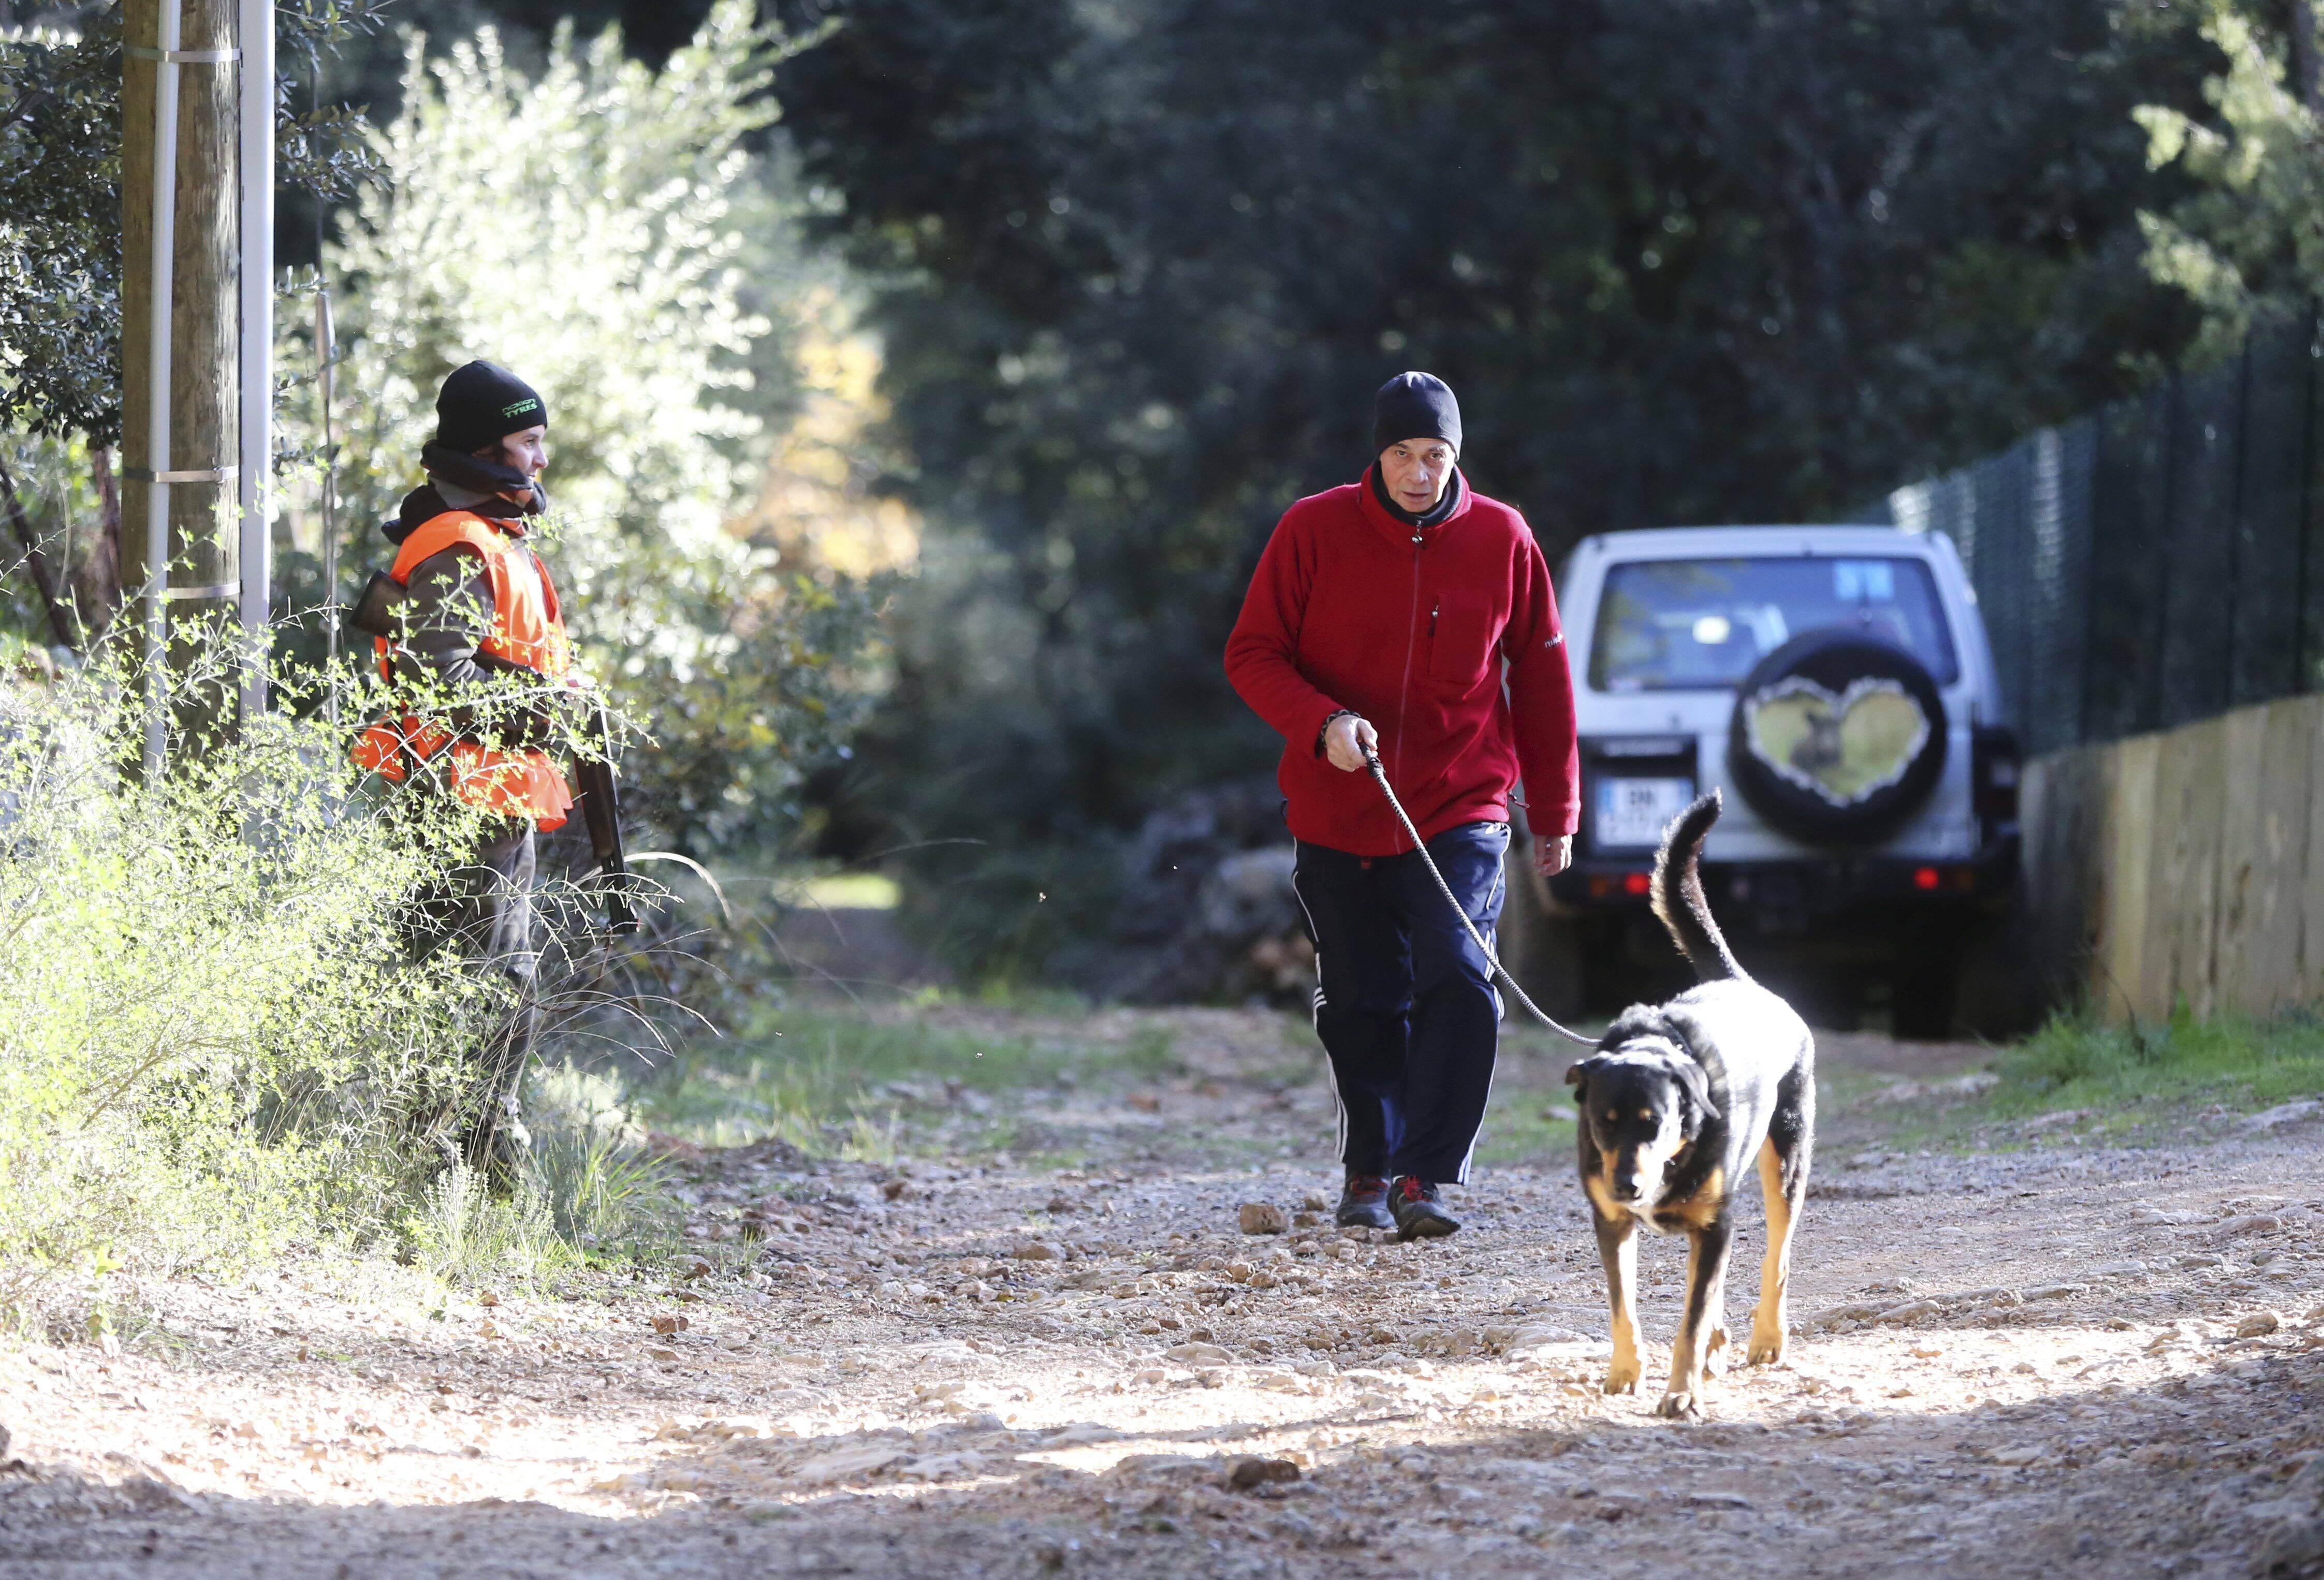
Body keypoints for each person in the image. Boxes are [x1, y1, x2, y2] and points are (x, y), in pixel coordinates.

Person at [1224, 371, 1579, 1239]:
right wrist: (1323, 725)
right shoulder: (1310, 529)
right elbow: (1252, 653)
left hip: (1460, 803)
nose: (1418, 473)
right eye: (1400, 454)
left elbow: (1539, 674)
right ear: (1375, 455)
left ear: (1455, 456)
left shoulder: (1503, 537)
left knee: (1459, 973)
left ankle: (1426, 1177)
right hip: (1338, 807)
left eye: (1434, 455)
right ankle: (1368, 1172)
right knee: (1360, 999)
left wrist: (1557, 810)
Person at [351, 360, 586, 1181]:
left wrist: (551, 695)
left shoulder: (489, 539)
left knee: (491, 981)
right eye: (528, 441)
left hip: (485, 796)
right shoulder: (457, 546)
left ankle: (462, 1158)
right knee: (481, 987)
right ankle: (458, 1164)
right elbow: (437, 683)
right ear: (488, 446)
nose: (539, 460)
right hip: (456, 799)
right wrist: (548, 708)